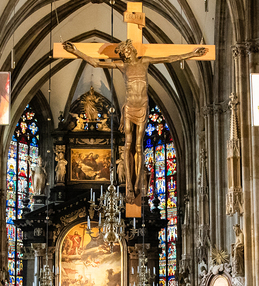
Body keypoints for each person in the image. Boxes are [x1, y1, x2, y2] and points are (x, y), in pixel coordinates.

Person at [62, 40, 206, 201]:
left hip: (142, 106)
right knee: (127, 145)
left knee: (138, 146)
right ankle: (129, 187)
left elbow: (169, 58)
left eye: (126, 51)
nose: (125, 54)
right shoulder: (122, 66)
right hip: (129, 107)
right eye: (123, 53)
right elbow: (96, 63)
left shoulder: (145, 61)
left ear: (132, 50)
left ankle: (138, 184)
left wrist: (191, 54)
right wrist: (76, 51)